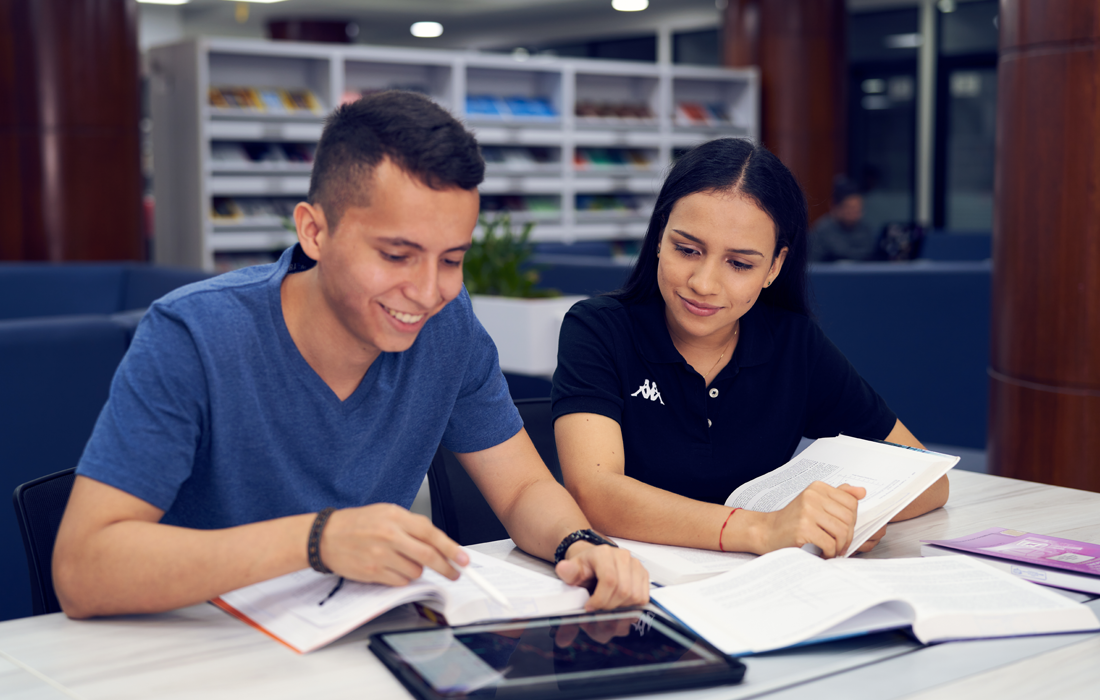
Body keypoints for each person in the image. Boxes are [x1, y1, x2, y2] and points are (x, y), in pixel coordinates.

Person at [53, 91, 648, 619]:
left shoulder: (450, 326)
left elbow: (520, 490)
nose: (428, 291)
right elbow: (83, 570)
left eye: (451, 258)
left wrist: (579, 544)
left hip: (351, 646)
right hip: (201, 650)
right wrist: (318, 541)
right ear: (314, 232)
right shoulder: (194, 335)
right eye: (396, 255)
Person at [551, 138, 948, 558]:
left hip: (759, 594)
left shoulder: (794, 344)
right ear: (659, 237)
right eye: (687, 249)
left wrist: (846, 517)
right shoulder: (599, 328)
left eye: (739, 264)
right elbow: (595, 493)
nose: (703, 283)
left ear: (774, 267)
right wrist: (763, 529)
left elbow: (927, 479)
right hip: (630, 583)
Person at [808, 176, 879, 262]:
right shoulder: (820, 231)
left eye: (858, 209)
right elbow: (813, 264)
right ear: (835, 207)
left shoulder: (866, 229)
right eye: (850, 209)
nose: (855, 214)